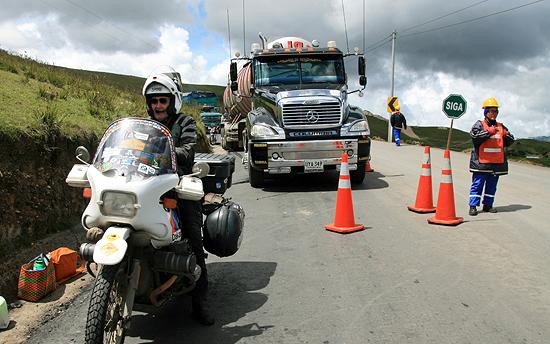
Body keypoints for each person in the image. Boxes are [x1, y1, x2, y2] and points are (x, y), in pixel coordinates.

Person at [142, 70, 215, 326]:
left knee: (194, 239)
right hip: (148, 184)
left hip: (177, 183)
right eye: (154, 101)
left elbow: (187, 151)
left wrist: (162, 151)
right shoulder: (146, 126)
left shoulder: (185, 122)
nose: (158, 106)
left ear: (172, 101)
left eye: (162, 100)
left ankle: (200, 301)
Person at [468, 97, 515, 216]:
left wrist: (506, 135)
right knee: (477, 185)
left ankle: (488, 205)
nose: (493, 113)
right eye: (491, 111)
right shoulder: (479, 124)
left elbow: (511, 141)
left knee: (492, 187)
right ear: (486, 112)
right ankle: (473, 206)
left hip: (496, 164)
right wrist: (489, 132)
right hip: (481, 163)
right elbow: (475, 137)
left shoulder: (501, 126)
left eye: (496, 111)